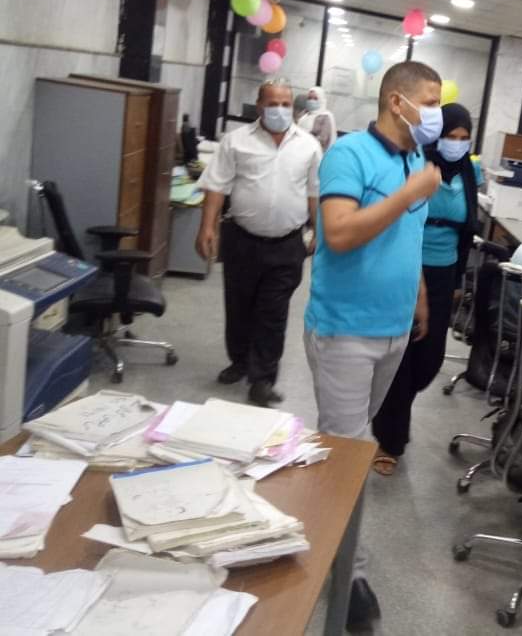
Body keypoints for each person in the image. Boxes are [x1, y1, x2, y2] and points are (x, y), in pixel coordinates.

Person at [303, 61, 443, 633]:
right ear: (396, 101)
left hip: (393, 328)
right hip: (345, 329)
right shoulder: (350, 154)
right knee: (350, 453)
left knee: (353, 447)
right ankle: (349, 574)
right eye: (429, 101)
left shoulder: (415, 160)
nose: (435, 113)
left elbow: (410, 237)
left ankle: (330, 538)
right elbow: (338, 233)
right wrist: (409, 193)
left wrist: (420, 294)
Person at [370, 103, 482, 475]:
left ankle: (393, 408)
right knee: (402, 354)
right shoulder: (418, 166)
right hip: (408, 266)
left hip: (445, 273)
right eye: (450, 136)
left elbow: (467, 231)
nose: (457, 143)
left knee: (429, 360)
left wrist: (459, 280)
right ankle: (390, 439)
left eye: (464, 138)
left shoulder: (469, 173)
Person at [195, 78, 321, 407]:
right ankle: (239, 360)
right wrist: (207, 227)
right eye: (272, 103)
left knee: (273, 312)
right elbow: (217, 185)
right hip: (242, 239)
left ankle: (262, 379)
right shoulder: (235, 141)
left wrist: (319, 231)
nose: (279, 109)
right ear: (259, 105)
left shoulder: (308, 146)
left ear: (293, 107)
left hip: (287, 244)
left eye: (285, 104)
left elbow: (314, 192)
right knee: (239, 307)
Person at [297, 85, 338, 152]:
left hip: (315, 152)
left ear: (321, 100)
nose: (311, 101)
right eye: (309, 98)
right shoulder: (304, 114)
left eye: (315, 98)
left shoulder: (326, 116)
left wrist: (304, 142)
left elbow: (323, 139)